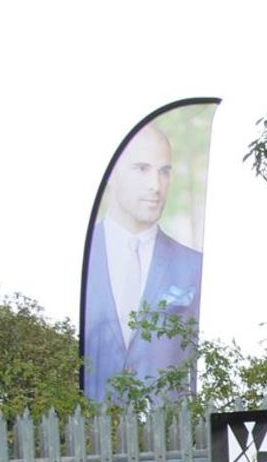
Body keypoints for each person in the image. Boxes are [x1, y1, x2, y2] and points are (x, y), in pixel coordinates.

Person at [82, 122, 203, 401]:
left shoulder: (192, 266)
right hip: (90, 426)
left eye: (164, 171)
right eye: (141, 169)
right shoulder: (84, 260)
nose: (155, 186)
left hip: (169, 430)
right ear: (113, 174)